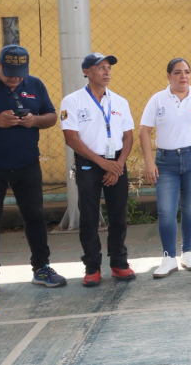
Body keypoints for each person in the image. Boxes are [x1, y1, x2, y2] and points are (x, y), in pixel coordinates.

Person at [0, 45, 66, 298]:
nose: (15, 79)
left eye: (20, 75)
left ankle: (42, 268)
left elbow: (51, 117)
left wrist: (34, 120)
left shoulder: (35, 85)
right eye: (10, 74)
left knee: (35, 216)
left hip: (27, 163)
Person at [140, 58, 191, 278]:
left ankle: (188, 252)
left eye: (187, 72)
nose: (183, 76)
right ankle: (168, 257)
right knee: (166, 210)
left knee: (190, 207)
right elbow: (144, 131)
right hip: (165, 162)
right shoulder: (157, 100)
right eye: (177, 73)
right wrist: (149, 162)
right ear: (168, 76)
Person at [60, 53, 136, 286]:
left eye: (108, 68)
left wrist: (118, 165)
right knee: (90, 217)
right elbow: (71, 138)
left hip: (116, 162)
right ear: (86, 72)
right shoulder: (72, 101)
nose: (106, 72)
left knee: (118, 215)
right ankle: (92, 267)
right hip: (88, 163)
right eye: (100, 67)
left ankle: (119, 264)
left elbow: (128, 136)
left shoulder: (120, 101)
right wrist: (102, 163)